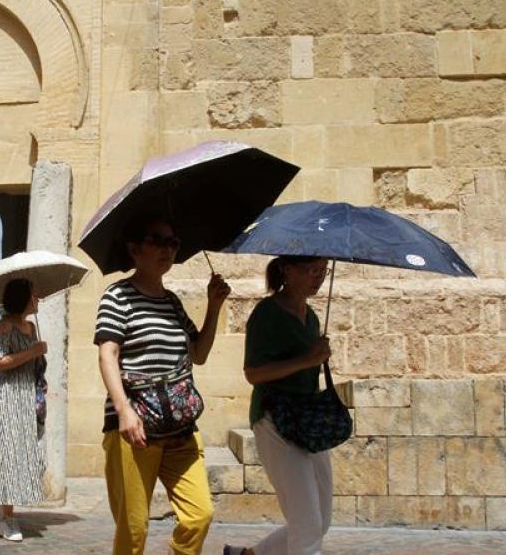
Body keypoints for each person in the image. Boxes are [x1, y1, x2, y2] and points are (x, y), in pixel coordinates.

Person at [94, 214, 230, 555]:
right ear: (134, 249)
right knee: (133, 528)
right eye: (158, 239)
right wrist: (124, 411)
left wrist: (214, 306)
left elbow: (198, 354)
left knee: (199, 515)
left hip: (179, 426)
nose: (168, 248)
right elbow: (107, 355)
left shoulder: (171, 302)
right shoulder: (118, 296)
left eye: (173, 242)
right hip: (133, 428)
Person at [223, 256, 333, 555]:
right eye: (313, 270)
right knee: (307, 524)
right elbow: (254, 373)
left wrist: (317, 358)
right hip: (276, 421)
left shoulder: (310, 317)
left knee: (319, 520)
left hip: (308, 423)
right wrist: (307, 360)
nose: (319, 277)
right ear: (288, 270)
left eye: (324, 271)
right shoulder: (267, 314)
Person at [0, 278, 47, 542]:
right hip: (8, 396)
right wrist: (32, 353)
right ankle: (8, 520)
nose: (38, 298)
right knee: (9, 454)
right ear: (24, 297)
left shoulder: (32, 328)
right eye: (35, 293)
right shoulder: (4, 325)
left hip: (27, 396)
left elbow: (34, 363)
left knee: (23, 453)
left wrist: (39, 357)